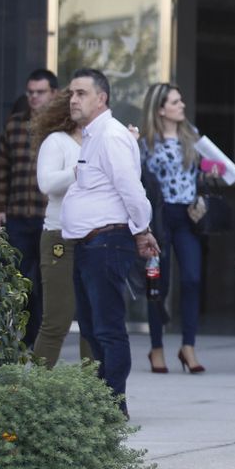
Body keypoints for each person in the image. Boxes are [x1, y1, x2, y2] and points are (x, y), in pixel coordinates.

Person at [60, 68, 159, 413]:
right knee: (91, 326)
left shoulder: (111, 136)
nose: (73, 99)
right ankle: (104, 402)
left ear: (101, 98)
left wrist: (142, 230)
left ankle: (114, 405)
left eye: (81, 93)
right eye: (72, 93)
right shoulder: (93, 135)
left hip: (106, 243)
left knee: (107, 328)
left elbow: (131, 189)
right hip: (89, 245)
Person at [137, 83, 207, 375]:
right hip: (159, 219)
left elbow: (216, 171)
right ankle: (156, 346)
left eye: (181, 100)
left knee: (192, 278)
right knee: (158, 285)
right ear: (161, 109)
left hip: (188, 217)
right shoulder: (144, 143)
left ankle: (188, 346)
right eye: (176, 102)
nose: (182, 106)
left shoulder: (194, 139)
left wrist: (211, 173)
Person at [0, 68, 57, 348]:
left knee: (47, 281)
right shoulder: (14, 124)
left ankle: (42, 339)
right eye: (30, 92)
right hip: (18, 215)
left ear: (53, 93)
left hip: (50, 217)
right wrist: (0, 206)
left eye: (40, 92)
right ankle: (26, 338)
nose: (34, 97)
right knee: (20, 278)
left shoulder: (62, 127)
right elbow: (1, 168)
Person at [31, 90, 91, 367]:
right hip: (60, 236)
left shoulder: (101, 140)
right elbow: (46, 184)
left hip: (94, 237)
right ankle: (35, 395)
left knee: (94, 323)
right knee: (57, 319)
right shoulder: (56, 142)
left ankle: (93, 395)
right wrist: (78, 171)